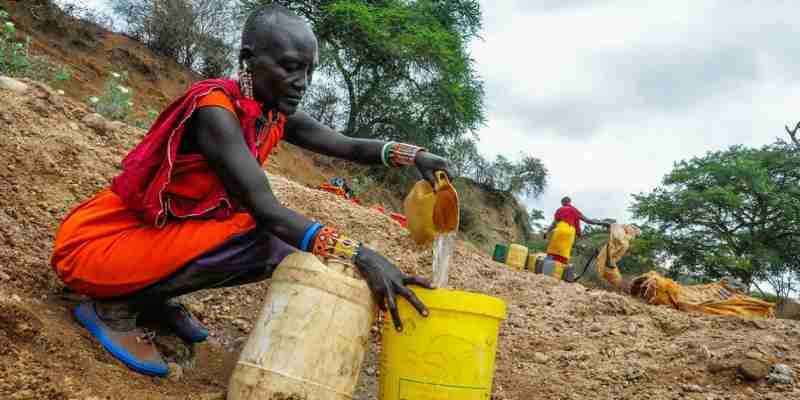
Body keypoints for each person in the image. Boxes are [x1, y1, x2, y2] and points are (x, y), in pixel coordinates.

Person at [50, 5, 449, 378]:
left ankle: (150, 300)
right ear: (247, 58)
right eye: (290, 67)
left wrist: (414, 156)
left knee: (270, 241)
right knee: (266, 240)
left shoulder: (271, 112)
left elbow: (345, 144)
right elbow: (267, 211)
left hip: (150, 239)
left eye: (308, 71)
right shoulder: (215, 111)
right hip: (98, 245)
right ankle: (115, 307)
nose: (302, 83)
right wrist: (361, 255)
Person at [543, 196, 611, 266]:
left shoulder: (560, 210)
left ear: (562, 203)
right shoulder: (575, 210)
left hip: (560, 230)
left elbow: (554, 223)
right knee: (564, 253)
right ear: (570, 202)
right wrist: (604, 223)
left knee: (552, 250)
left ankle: (547, 266)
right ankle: (560, 269)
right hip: (570, 232)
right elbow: (587, 221)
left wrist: (546, 232)